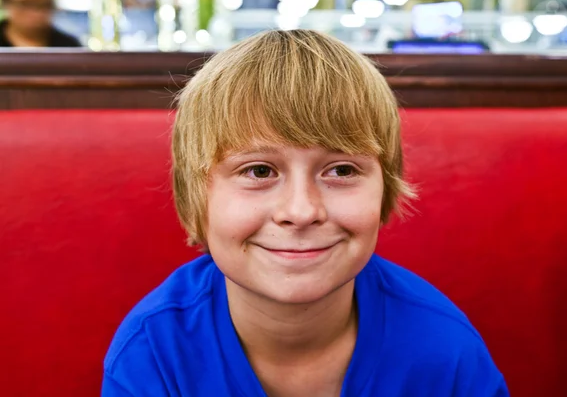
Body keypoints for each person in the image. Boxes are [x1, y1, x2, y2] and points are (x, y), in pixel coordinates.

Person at [102, 29, 509, 396]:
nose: (301, 211)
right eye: (259, 171)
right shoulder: (152, 354)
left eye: (341, 170)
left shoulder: (445, 352)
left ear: (384, 189)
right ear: (197, 198)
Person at [0, 0, 80, 48]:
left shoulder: (69, 46)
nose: (35, 12)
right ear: (7, 4)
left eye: (43, 5)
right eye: (26, 4)